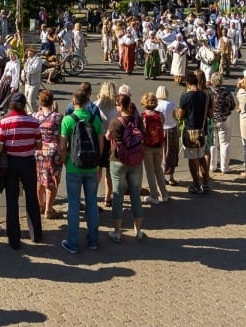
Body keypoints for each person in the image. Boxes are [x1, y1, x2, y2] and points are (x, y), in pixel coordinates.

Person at [0, 92, 43, 250]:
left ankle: (14, 238)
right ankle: (36, 234)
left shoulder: (5, 122)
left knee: (12, 200)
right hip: (28, 161)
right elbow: (39, 145)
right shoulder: (34, 122)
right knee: (32, 198)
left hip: (11, 163)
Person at [59, 85, 103, 254]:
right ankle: (93, 241)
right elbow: (100, 143)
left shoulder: (68, 120)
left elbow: (63, 145)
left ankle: (73, 242)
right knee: (92, 202)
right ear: (86, 102)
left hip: (74, 165)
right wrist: (97, 160)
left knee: (73, 204)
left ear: (73, 101)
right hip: (92, 165)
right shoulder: (94, 119)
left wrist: (64, 160)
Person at [105, 93, 146, 242]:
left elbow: (108, 137)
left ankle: (117, 231)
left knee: (118, 194)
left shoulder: (115, 122)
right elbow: (143, 135)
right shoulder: (137, 120)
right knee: (135, 193)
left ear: (120, 106)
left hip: (118, 160)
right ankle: (138, 230)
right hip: (135, 160)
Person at [176, 71, 210, 194]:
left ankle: (196, 184)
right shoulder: (205, 96)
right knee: (201, 157)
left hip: (189, 130)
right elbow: (210, 113)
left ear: (188, 83)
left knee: (192, 159)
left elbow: (180, 115)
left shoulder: (185, 96)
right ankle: (205, 182)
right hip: (201, 130)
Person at [33, 89, 63, 220]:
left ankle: (40, 205)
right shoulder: (58, 117)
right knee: (52, 181)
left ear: (40, 101)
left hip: (39, 150)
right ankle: (48, 210)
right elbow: (62, 135)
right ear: (52, 101)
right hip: (53, 151)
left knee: (39, 179)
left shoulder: (34, 116)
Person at [138, 91, 168, 204]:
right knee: (159, 169)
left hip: (147, 146)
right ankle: (164, 194)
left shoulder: (143, 117)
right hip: (159, 144)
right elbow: (162, 125)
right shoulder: (160, 115)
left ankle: (154, 195)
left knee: (150, 171)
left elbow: (141, 131)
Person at [207, 72, 237, 175]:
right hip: (224, 119)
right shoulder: (226, 92)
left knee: (213, 144)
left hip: (212, 119)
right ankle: (225, 167)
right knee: (224, 143)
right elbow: (232, 105)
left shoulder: (208, 92)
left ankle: (212, 165)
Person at [156, 85, 179, 186]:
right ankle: (171, 177)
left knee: (161, 153)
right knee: (171, 152)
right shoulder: (171, 104)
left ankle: (161, 177)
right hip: (171, 129)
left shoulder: (156, 105)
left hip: (161, 130)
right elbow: (175, 116)